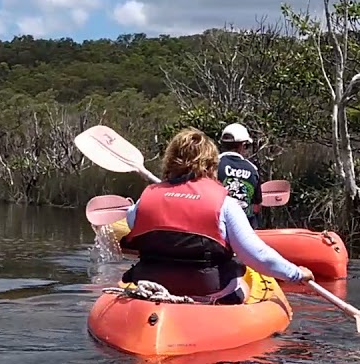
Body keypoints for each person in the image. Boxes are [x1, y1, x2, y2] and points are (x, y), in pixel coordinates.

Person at [119, 127, 314, 305]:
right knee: (243, 282)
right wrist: (295, 273)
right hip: (207, 290)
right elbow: (256, 254)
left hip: (151, 283)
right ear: (212, 164)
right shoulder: (225, 204)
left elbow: (132, 222)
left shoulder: (144, 200)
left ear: (170, 160)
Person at [216, 122, 264, 229]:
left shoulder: (212, 165)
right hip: (245, 230)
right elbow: (256, 206)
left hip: (218, 228)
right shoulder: (253, 170)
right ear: (242, 146)